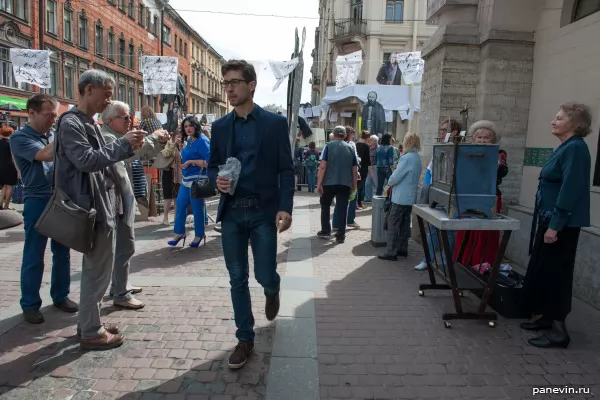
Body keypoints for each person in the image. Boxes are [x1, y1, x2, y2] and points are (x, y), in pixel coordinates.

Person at [208, 60, 293, 369]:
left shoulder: (273, 124)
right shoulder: (219, 127)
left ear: (251, 84)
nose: (229, 88)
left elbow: (286, 168)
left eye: (234, 82)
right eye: (225, 83)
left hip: (263, 212)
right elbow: (212, 165)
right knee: (237, 278)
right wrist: (216, 177)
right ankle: (245, 337)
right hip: (232, 213)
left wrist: (286, 206)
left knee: (263, 274)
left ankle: (273, 289)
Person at [55, 70, 144, 350]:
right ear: (88, 89)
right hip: (91, 206)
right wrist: (122, 144)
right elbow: (85, 160)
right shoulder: (71, 123)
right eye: (106, 94)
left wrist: (128, 147)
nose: (108, 100)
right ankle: (91, 331)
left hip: (100, 204)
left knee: (99, 270)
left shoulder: (87, 123)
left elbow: (102, 160)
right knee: (97, 270)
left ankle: (88, 323)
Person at [520, 103, 592, 349]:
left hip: (560, 223)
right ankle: (547, 318)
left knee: (556, 275)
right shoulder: (566, 147)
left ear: (575, 123)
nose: (553, 121)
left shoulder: (576, 149)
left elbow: (571, 189)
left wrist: (556, 225)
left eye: (559, 118)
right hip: (549, 219)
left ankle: (559, 331)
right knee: (543, 270)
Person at [9, 94, 76, 324]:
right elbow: (44, 155)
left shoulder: (53, 134)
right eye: (49, 115)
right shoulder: (19, 138)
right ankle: (29, 304)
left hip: (59, 198)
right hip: (37, 200)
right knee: (34, 254)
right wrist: (66, 133)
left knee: (62, 252)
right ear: (32, 113)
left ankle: (61, 295)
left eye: (55, 116)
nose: (52, 120)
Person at [100, 100, 169, 309]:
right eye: (125, 117)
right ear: (111, 120)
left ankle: (120, 285)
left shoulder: (117, 136)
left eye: (130, 116)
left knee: (124, 245)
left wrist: (156, 142)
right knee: (122, 246)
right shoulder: (107, 137)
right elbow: (132, 154)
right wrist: (152, 139)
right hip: (115, 200)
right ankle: (120, 292)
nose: (130, 120)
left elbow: (141, 153)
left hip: (122, 198)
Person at [452, 121, 508, 267]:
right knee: (465, 231)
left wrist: (494, 162)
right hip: (468, 196)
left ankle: (483, 266)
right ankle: (463, 264)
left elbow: (502, 171)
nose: (482, 140)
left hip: (490, 199)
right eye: (479, 137)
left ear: (493, 140)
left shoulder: (499, 154)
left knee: (484, 233)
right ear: (473, 139)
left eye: (486, 138)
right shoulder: (468, 152)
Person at [414, 119, 462, 271]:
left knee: (450, 232)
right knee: (432, 230)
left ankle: (448, 263)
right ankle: (427, 260)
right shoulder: (440, 149)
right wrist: (430, 188)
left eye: (444, 130)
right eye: (440, 130)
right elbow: (430, 170)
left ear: (454, 132)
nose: (441, 132)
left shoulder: (460, 149)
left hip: (453, 196)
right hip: (438, 194)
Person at [378, 133, 422, 261]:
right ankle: (402, 248)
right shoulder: (416, 157)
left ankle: (391, 252)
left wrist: (390, 181)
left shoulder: (406, 158)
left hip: (401, 196)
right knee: (404, 223)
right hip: (410, 196)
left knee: (393, 222)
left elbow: (395, 178)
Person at [168, 116, 210, 248]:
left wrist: (191, 162)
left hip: (197, 181)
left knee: (197, 209)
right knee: (180, 205)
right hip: (186, 180)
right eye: (185, 126)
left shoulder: (202, 140)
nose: (188, 128)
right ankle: (179, 233)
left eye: (190, 125)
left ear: (196, 126)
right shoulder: (189, 140)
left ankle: (199, 234)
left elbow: (209, 162)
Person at [317, 125, 358, 244]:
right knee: (342, 208)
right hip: (345, 183)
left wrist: (319, 183)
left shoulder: (328, 146)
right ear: (344, 135)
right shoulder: (351, 148)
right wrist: (354, 185)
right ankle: (341, 235)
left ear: (334, 134)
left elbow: (323, 166)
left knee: (325, 206)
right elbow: (354, 169)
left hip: (328, 183)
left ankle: (325, 230)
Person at [160, 130, 183, 225]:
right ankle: (165, 217)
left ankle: (176, 217)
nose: (179, 138)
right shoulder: (169, 143)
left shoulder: (183, 145)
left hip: (179, 174)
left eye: (181, 136)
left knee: (177, 197)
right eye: (178, 136)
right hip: (168, 172)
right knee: (168, 196)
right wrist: (174, 144)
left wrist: (181, 147)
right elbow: (165, 154)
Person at [0, 125, 17, 210]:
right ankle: (6, 205)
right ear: (10, 133)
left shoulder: (0, 142)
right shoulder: (11, 143)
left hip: (1, 167)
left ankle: (0, 204)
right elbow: (14, 157)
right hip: (10, 167)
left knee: (4, 186)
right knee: (10, 186)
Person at [355, 131, 371, 209]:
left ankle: (354, 203)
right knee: (360, 187)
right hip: (363, 169)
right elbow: (368, 160)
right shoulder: (366, 146)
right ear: (367, 137)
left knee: (355, 186)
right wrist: (371, 171)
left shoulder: (356, 144)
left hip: (356, 167)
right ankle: (358, 203)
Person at [364, 134, 378, 202]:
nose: (369, 140)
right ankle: (368, 198)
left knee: (375, 183)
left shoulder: (378, 149)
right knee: (367, 183)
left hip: (375, 167)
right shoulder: (368, 148)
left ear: (375, 141)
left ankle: (376, 197)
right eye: (369, 139)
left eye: (371, 139)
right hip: (369, 167)